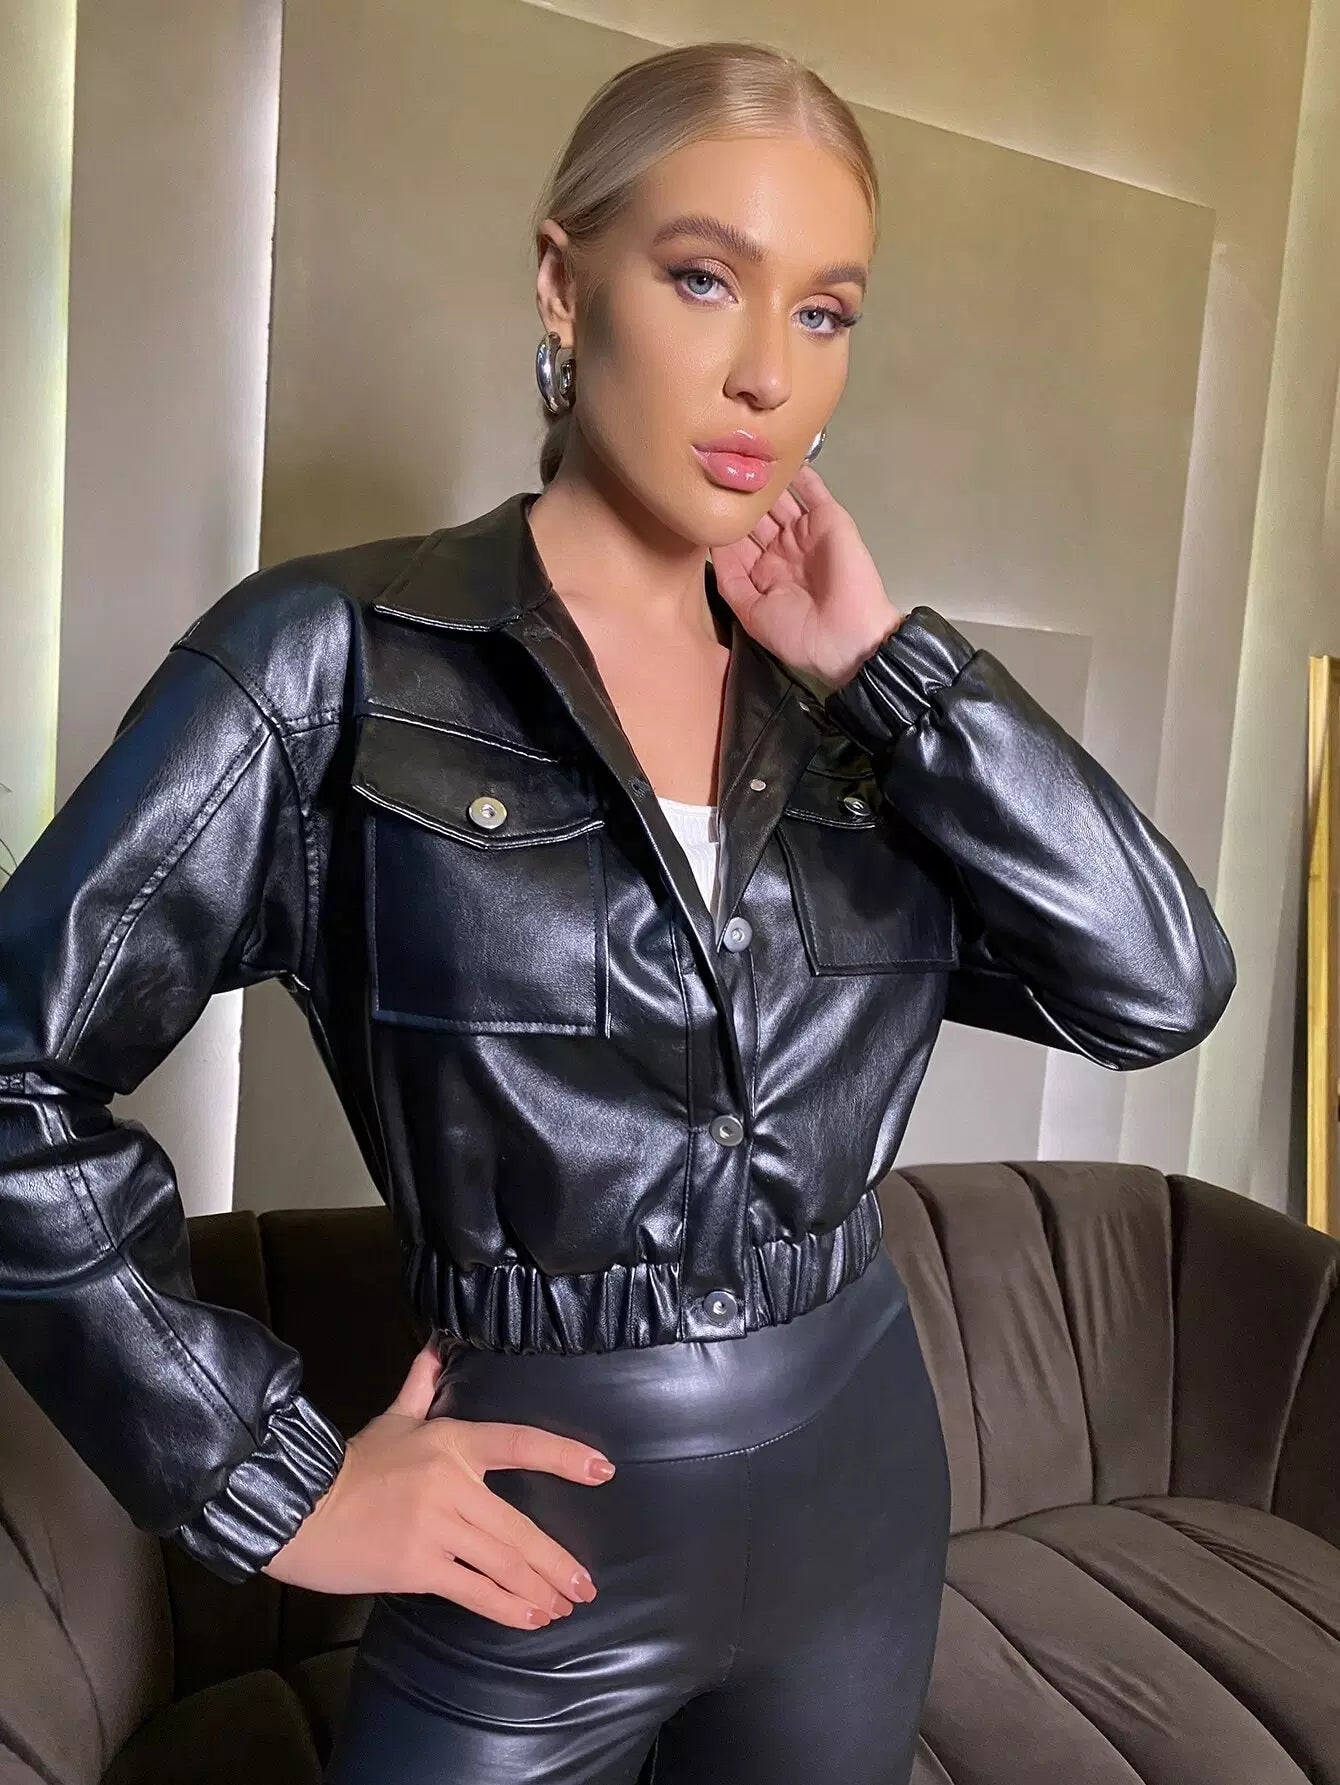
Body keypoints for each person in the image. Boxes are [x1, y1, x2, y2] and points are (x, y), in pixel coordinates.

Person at [0, 38, 1235, 1785]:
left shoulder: (857, 729)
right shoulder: (333, 663)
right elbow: (12, 1073)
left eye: (826, 311)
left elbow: (1159, 980)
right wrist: (274, 1480)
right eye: (706, 277)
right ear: (563, 285)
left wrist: (891, 668)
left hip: (861, 1500)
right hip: (532, 1544)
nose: (768, 372)